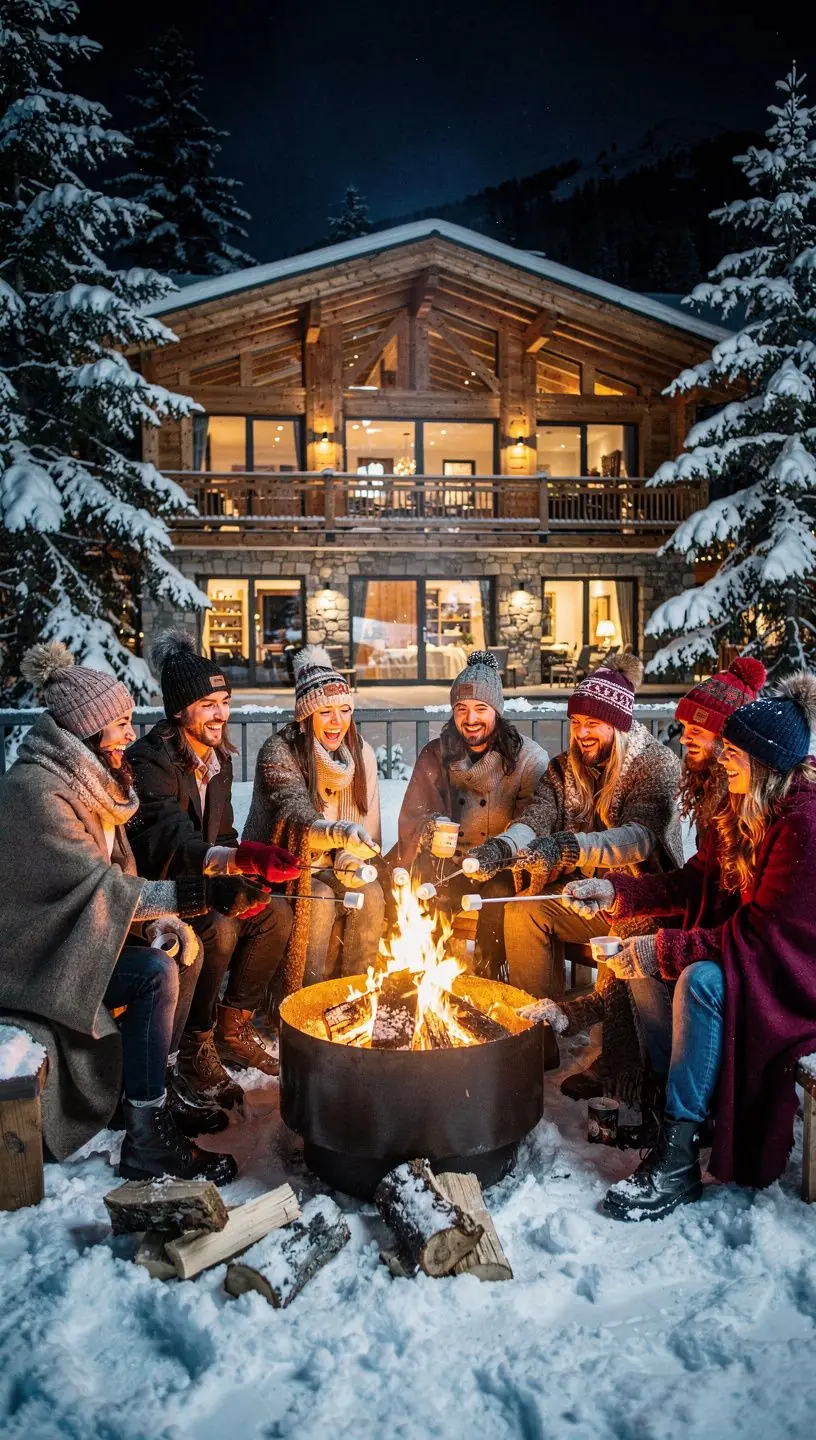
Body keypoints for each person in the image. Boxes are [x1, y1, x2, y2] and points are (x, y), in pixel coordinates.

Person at [0, 643, 267, 1182]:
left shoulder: (92, 781)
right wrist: (197, 896)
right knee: (152, 972)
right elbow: (95, 889)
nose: (128, 734)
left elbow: (115, 878)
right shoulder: (38, 793)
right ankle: (147, 1140)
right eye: (119, 724)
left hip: (81, 933)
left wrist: (166, 918)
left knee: (178, 949)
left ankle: (157, 1094)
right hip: (37, 954)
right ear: (87, 731)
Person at [563, 672, 816, 1220]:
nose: (723, 760)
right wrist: (616, 891)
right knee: (652, 957)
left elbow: (766, 941)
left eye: (734, 752)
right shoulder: (743, 810)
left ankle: (678, 1159)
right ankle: (677, 1111)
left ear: (768, 766)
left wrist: (664, 949)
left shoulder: (801, 826)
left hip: (793, 985)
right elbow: (689, 884)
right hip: (754, 960)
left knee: (698, 978)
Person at [545, 656, 767, 1125]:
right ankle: (658, 1078)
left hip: (744, 952)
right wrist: (617, 892)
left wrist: (658, 941)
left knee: (650, 947)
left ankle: (669, 1095)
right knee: (633, 929)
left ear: (734, 742)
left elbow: (643, 837)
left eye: (698, 730)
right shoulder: (716, 791)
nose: (684, 736)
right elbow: (697, 879)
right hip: (704, 922)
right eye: (684, 725)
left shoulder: (754, 805)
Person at [127, 632, 299, 1102]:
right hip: (158, 894)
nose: (221, 713)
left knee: (274, 911)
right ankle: (193, 1044)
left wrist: (248, 873)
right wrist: (235, 862)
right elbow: (171, 841)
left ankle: (234, 1025)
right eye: (208, 704)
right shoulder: (149, 760)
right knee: (219, 929)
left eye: (224, 700)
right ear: (180, 710)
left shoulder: (217, 761)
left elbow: (220, 836)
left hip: (207, 880)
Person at [468, 654, 684, 1000]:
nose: (582, 733)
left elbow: (638, 839)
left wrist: (570, 846)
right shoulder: (566, 767)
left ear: (618, 725)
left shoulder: (654, 765)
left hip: (638, 900)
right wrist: (503, 848)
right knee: (522, 911)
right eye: (577, 721)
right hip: (580, 893)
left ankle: (614, 1040)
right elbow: (536, 817)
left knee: (622, 955)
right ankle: (538, 1035)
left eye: (594, 723)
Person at [397, 651, 548, 977]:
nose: (471, 718)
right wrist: (431, 826)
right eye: (461, 709)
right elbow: (415, 811)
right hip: (451, 866)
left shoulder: (528, 759)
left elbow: (535, 826)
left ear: (497, 711)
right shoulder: (436, 754)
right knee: (422, 889)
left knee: (496, 899)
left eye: (481, 708)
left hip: (505, 868)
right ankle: (426, 977)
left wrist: (499, 853)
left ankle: (492, 978)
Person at [243, 647, 383, 992]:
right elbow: (295, 816)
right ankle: (302, 1002)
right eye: (326, 712)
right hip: (283, 864)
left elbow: (368, 824)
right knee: (318, 900)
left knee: (372, 893)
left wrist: (351, 855)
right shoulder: (280, 751)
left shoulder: (361, 753)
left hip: (333, 862)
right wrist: (341, 833)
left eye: (345, 710)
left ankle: (357, 994)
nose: (338, 722)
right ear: (306, 715)